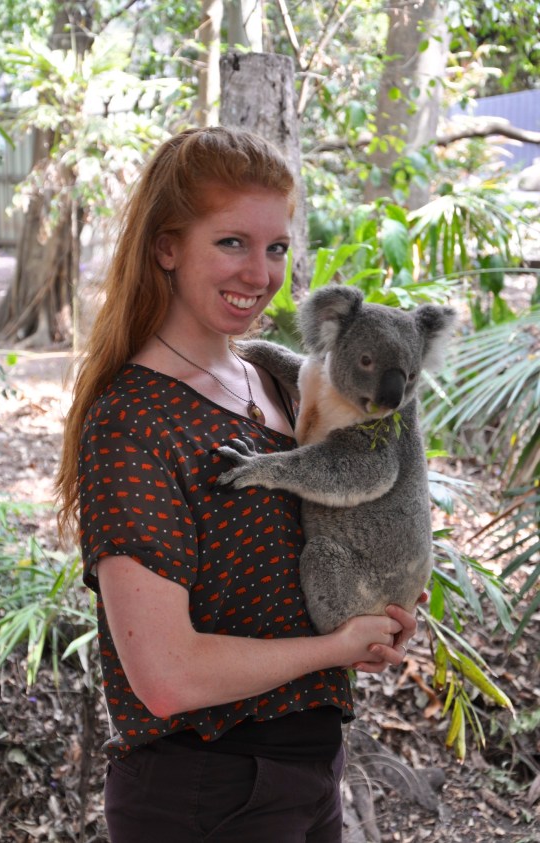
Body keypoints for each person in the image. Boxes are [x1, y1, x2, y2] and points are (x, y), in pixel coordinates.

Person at [56, 126, 419, 843]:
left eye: (276, 247)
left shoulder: (271, 378)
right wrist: (337, 646)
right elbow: (165, 676)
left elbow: (309, 550)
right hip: (205, 789)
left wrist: (380, 607)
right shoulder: (134, 422)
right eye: (232, 243)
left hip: (310, 765)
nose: (260, 272)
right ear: (166, 247)